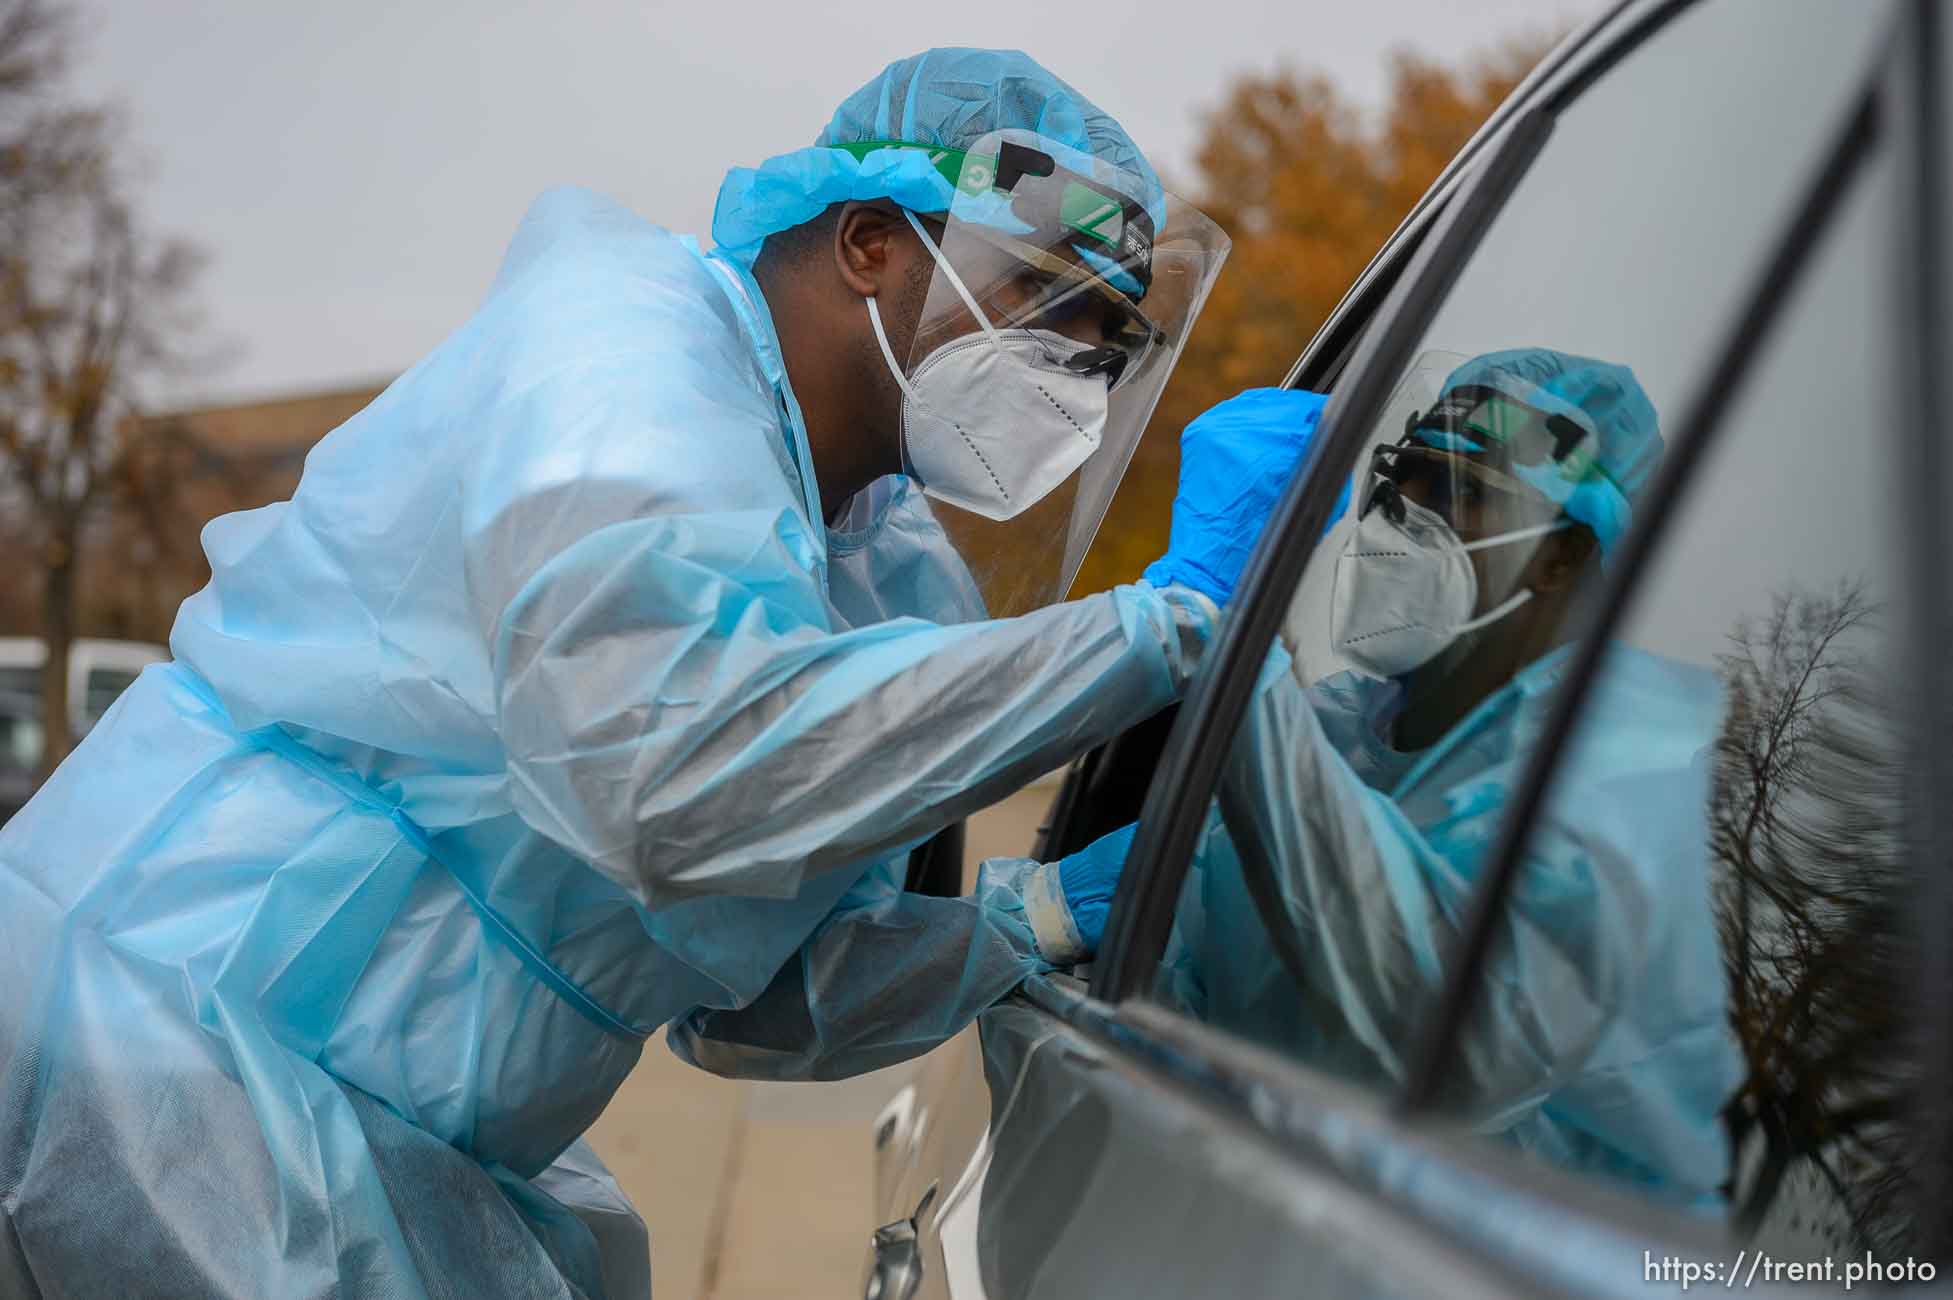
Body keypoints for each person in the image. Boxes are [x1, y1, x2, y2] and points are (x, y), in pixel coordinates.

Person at [0, 50, 1321, 1300]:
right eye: (1047, 307)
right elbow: (675, 783)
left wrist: (1041, 914)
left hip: (394, 1151)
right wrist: (1175, 621)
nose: (1072, 377)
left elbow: (754, 998)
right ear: (869, 241)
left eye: (1104, 343)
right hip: (150, 1054)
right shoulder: (624, 368)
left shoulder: (881, 570)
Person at [1114, 347, 1742, 1208]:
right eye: (1406, 481)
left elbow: (1425, 1021)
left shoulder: (1623, 785)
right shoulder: (1347, 731)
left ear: (1561, 556)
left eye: (1465, 495)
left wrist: (1224, 632)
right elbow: (1210, 994)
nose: (1406, 518)